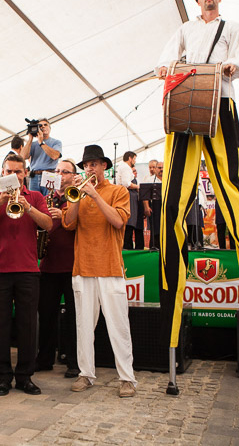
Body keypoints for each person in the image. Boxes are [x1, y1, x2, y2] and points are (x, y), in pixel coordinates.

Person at [155, 0, 239, 357]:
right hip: (187, 104)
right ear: (198, 0)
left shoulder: (232, 27)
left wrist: (232, 67)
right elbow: (167, 57)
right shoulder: (185, 29)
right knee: (172, 200)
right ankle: (170, 330)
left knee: (236, 189)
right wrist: (165, 69)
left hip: (221, 101)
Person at [63, 145, 137, 398]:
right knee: (83, 326)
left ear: (105, 166)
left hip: (110, 267)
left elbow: (118, 221)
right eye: (86, 165)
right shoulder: (78, 193)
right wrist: (77, 197)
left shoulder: (118, 191)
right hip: (83, 268)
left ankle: (127, 378)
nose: (89, 169)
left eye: (94, 164)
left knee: (119, 326)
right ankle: (86, 374)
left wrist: (94, 195)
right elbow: (68, 223)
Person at [0, 154, 52, 396]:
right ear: (2, 173)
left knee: (27, 325)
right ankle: (2, 377)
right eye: (9, 171)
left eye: (18, 172)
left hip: (28, 270)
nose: (14, 176)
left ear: (25, 174)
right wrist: (0, 201)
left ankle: (24, 377)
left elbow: (48, 225)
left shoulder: (36, 196)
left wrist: (27, 206)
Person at [36, 159, 80, 379]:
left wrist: (62, 215)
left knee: (73, 317)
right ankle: (44, 359)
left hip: (73, 266)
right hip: (49, 265)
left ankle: (74, 361)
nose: (60, 175)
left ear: (73, 176)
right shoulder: (46, 198)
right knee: (46, 315)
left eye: (65, 172)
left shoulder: (77, 196)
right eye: (57, 171)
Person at [20, 118, 62, 195]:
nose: (43, 127)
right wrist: (30, 139)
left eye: (45, 125)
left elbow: (55, 156)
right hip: (34, 176)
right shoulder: (33, 144)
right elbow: (22, 157)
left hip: (50, 174)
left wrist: (41, 142)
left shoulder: (56, 142)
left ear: (50, 128)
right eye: (40, 126)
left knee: (50, 199)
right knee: (33, 199)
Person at [116, 152, 142, 250]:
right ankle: (127, 247)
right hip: (129, 196)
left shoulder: (122, 167)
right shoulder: (126, 168)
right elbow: (126, 183)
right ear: (130, 158)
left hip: (129, 196)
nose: (135, 161)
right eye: (134, 159)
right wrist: (138, 187)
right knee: (129, 223)